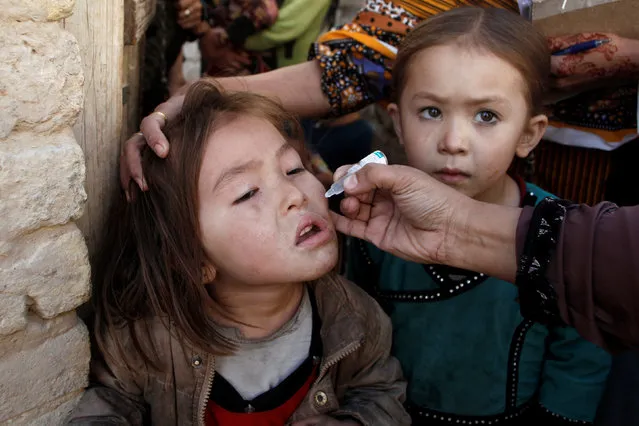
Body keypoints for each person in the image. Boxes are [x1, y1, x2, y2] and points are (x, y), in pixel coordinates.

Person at [66, 82, 410, 426]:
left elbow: (381, 393)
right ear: (192, 258)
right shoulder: (142, 340)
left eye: (293, 169)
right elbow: (108, 404)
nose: (294, 194)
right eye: (247, 193)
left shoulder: (354, 319)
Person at [343, 8, 609, 425]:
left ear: (528, 133)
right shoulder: (372, 224)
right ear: (397, 121)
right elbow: (353, 339)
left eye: (486, 116)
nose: (453, 142)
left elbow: (580, 357)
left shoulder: (561, 234)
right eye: (431, 111)